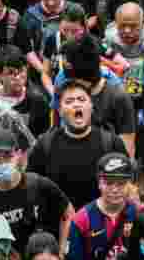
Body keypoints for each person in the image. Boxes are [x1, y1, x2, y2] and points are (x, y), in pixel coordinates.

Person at [29, 78, 128, 210]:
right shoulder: (45, 145)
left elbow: (127, 185)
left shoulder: (111, 142)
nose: (76, 105)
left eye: (82, 100)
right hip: (59, 224)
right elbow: (33, 187)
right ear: (59, 110)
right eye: (69, 101)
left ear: (91, 106)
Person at [0, 129, 72, 250]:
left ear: (18, 154)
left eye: (7, 156)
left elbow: (68, 214)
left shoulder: (39, 185)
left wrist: (62, 252)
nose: (2, 163)